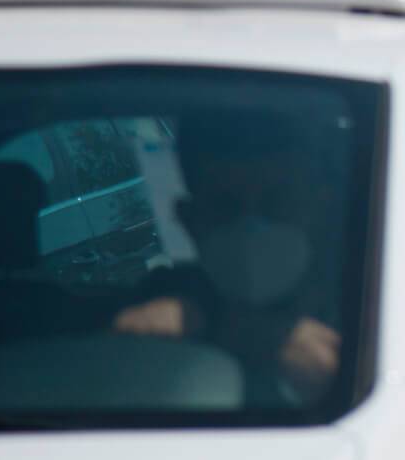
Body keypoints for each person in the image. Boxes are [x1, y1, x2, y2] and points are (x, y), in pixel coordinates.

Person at [113, 113, 345, 403]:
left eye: (277, 203)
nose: (251, 229)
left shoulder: (370, 302)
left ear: (319, 208)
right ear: (190, 221)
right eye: (226, 208)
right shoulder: (164, 299)